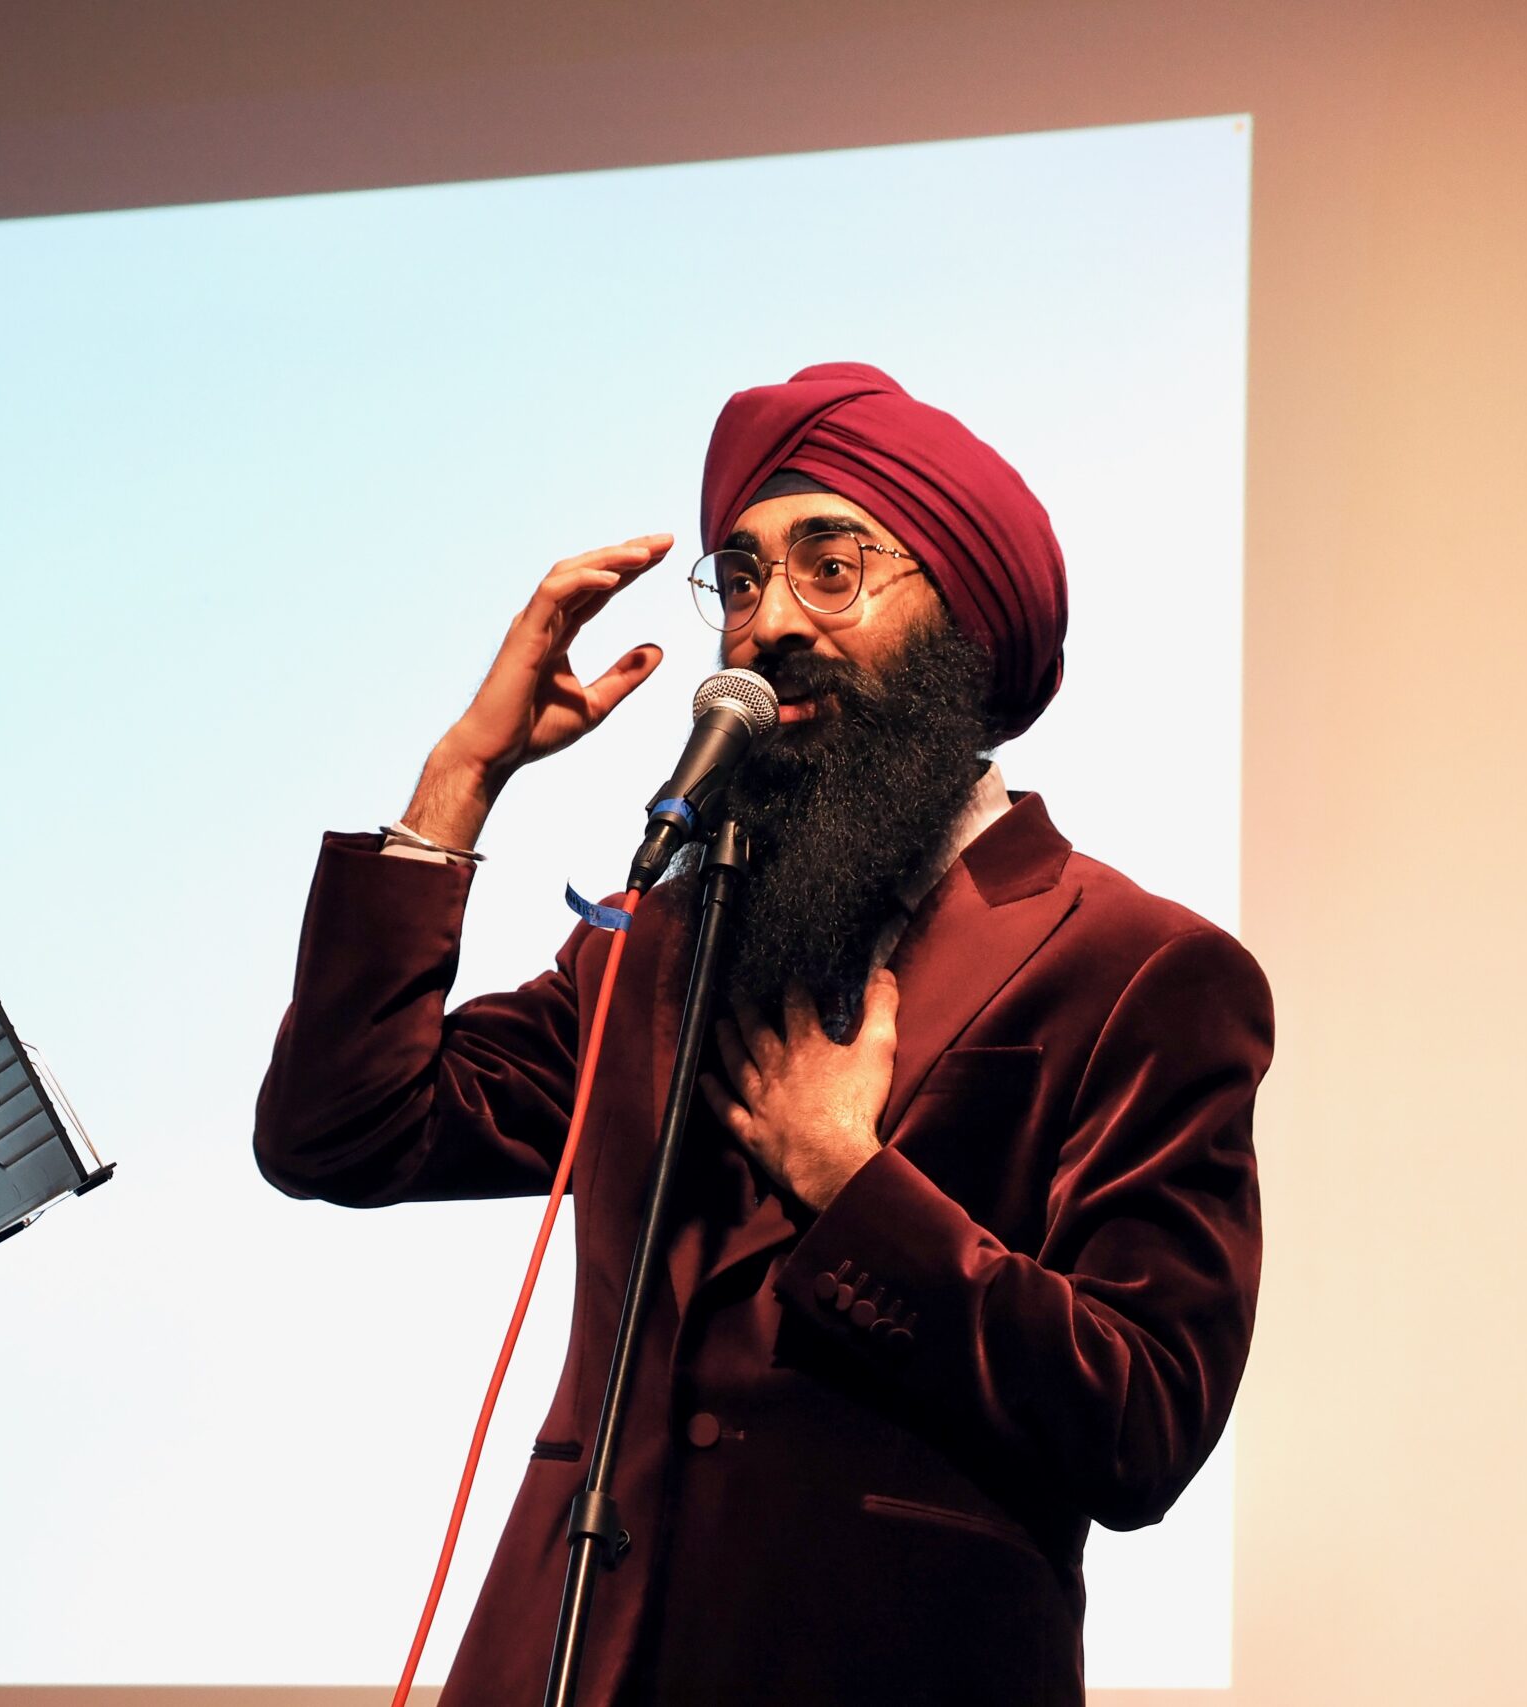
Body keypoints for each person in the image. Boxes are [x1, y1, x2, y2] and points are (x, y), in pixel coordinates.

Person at [256, 363, 1271, 1706]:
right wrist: (463, 779)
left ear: (961, 616)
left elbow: (1142, 1420)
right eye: (740, 578)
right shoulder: (666, 941)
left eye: (830, 568)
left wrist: (849, 1183)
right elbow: (343, 1130)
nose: (770, 622)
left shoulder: (1140, 967)